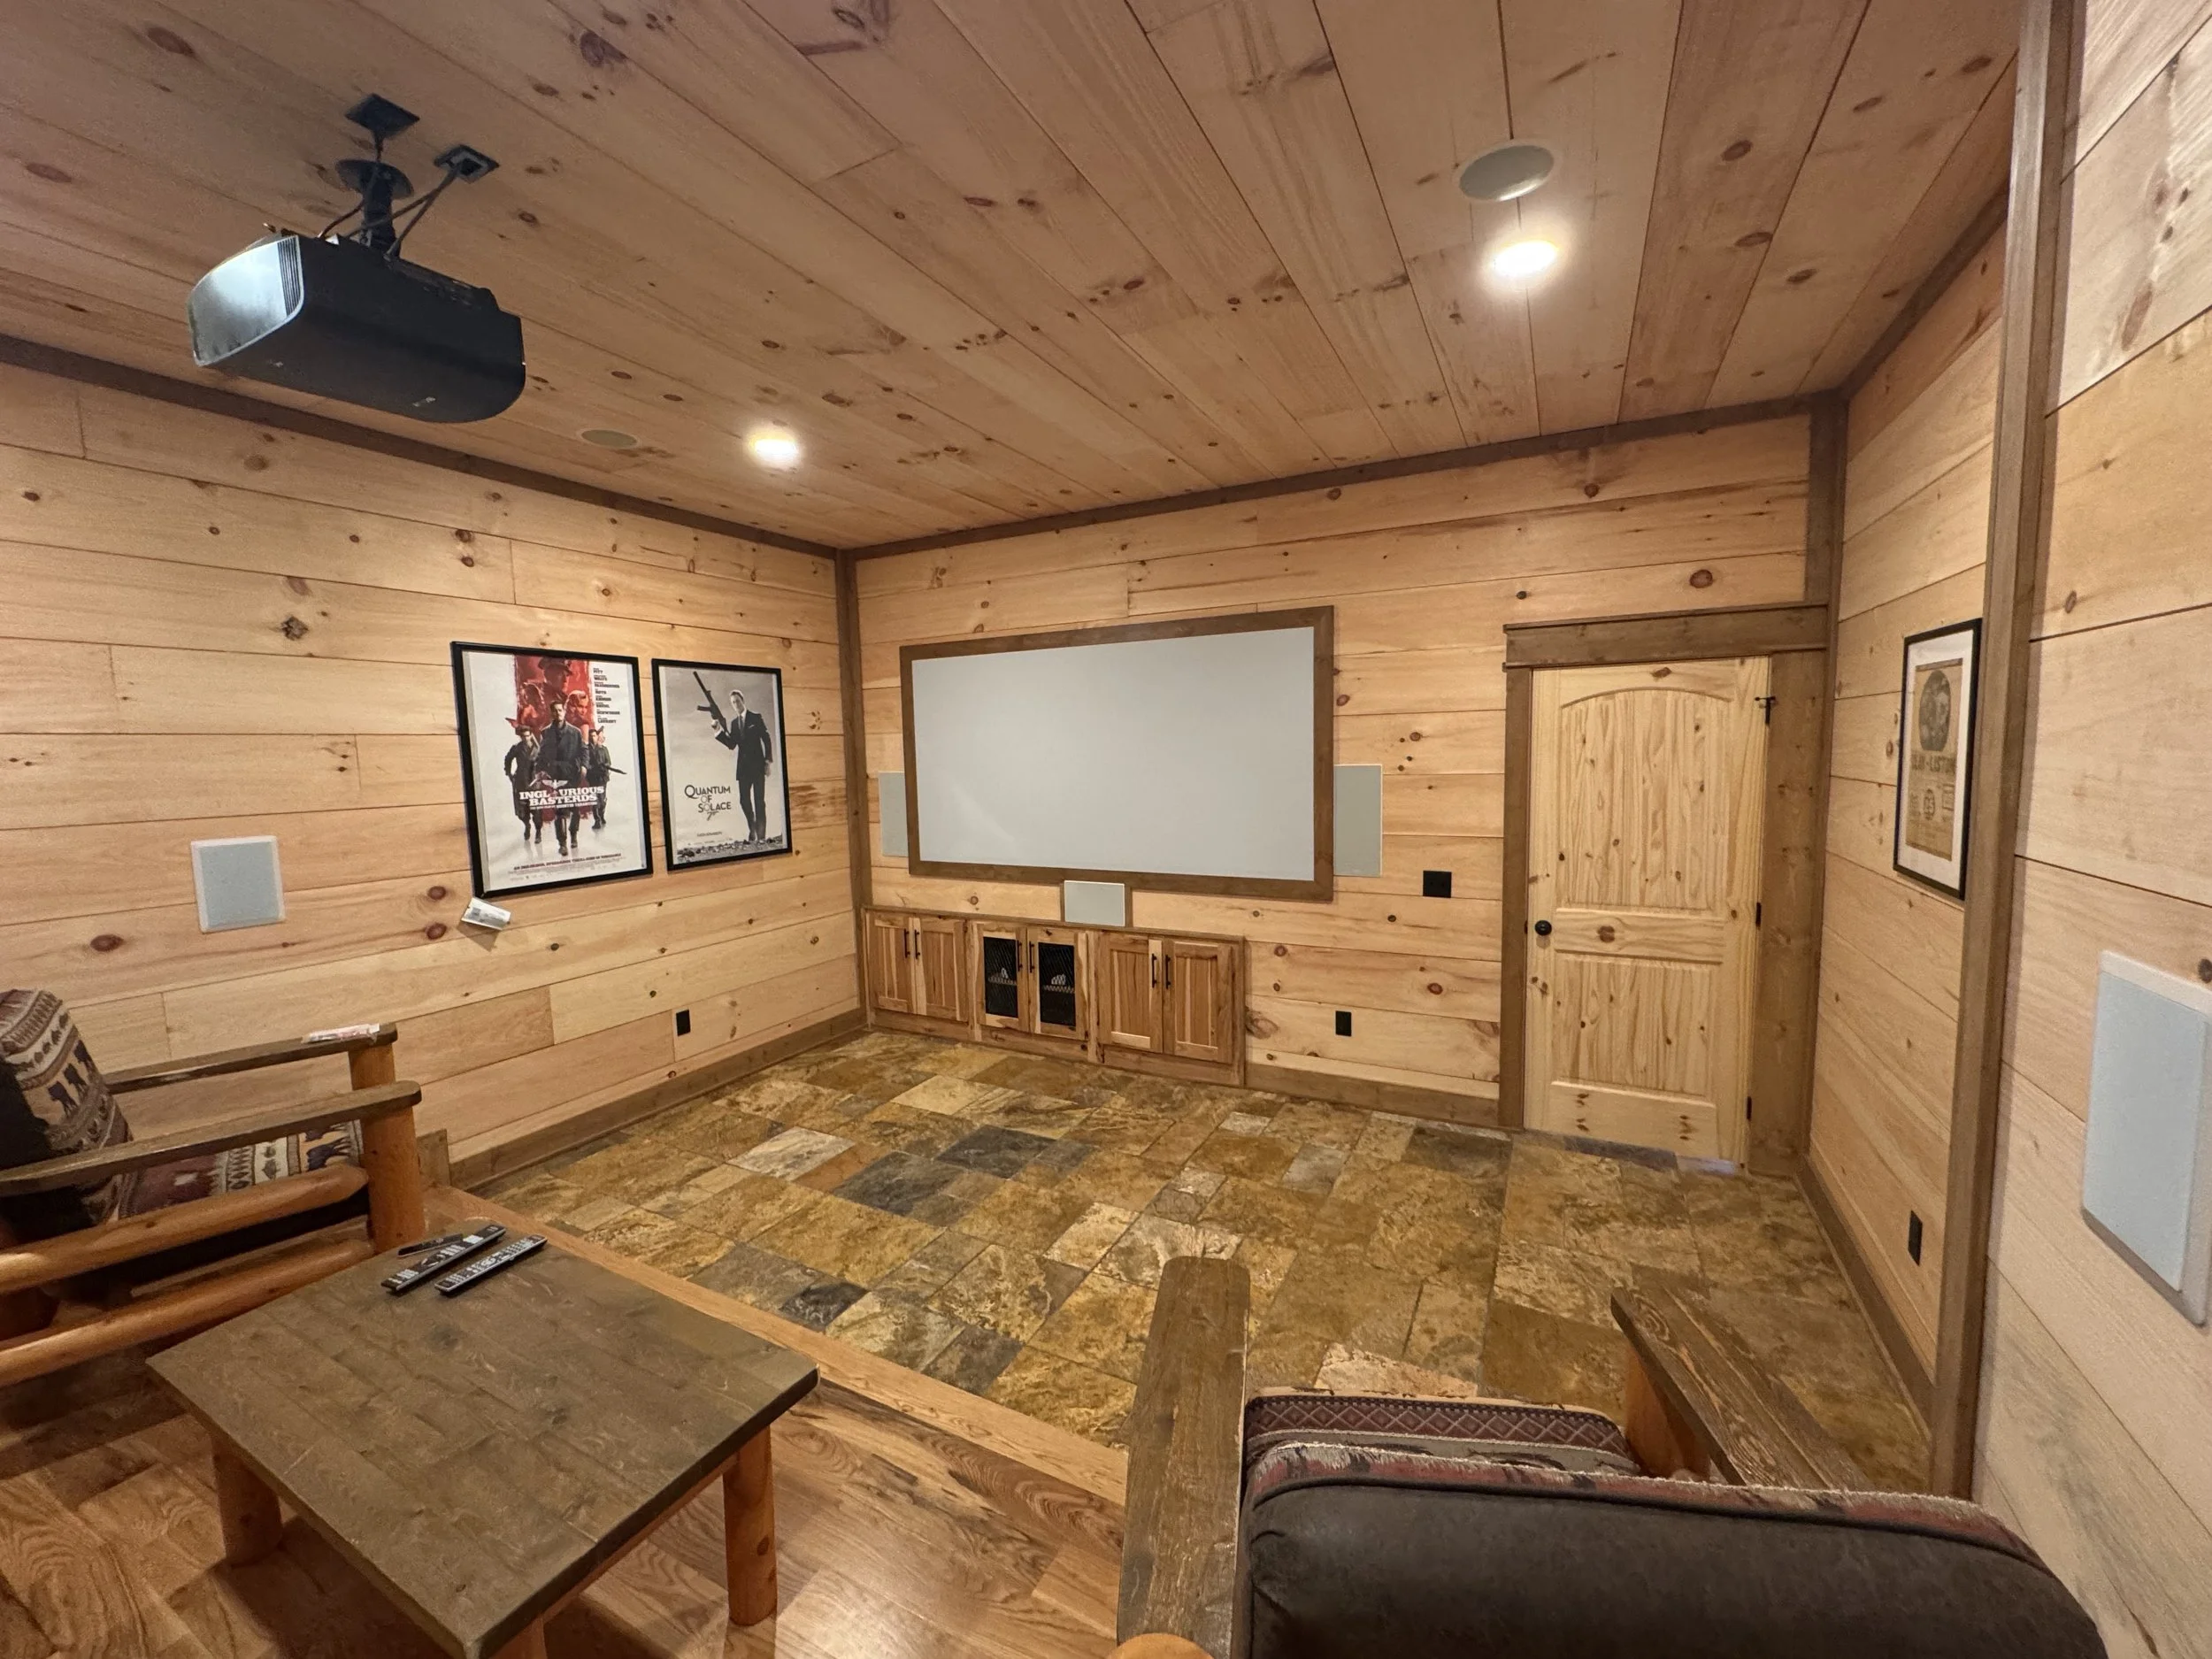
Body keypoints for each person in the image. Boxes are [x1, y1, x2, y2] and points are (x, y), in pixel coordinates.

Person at [714, 687, 775, 845]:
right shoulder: (734, 724)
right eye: (733, 703)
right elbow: (732, 745)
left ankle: (761, 836)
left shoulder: (756, 717)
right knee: (743, 800)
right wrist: (718, 731)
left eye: (738, 701)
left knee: (759, 801)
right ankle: (752, 826)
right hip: (743, 769)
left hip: (758, 766)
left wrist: (768, 761)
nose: (736, 704)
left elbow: (766, 738)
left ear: (743, 701)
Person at [536, 695, 588, 856]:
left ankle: (574, 836)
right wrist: (540, 771)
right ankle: (562, 843)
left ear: (564, 712)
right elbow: (542, 754)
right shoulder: (546, 733)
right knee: (560, 811)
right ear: (551, 713)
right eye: (555, 711)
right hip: (556, 777)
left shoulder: (575, 732)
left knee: (575, 810)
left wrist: (584, 766)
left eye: (560, 710)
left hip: (572, 774)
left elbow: (584, 750)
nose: (558, 713)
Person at [500, 724, 539, 839]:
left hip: (534, 782)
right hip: (521, 781)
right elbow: (508, 759)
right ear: (521, 737)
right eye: (523, 736)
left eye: (527, 736)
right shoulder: (517, 748)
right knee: (522, 810)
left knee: (536, 810)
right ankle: (527, 826)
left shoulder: (538, 748)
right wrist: (509, 773)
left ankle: (538, 833)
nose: (526, 738)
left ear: (531, 735)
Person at [583, 726, 612, 832]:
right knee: (594, 800)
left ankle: (602, 815)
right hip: (593, 778)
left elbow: (608, 761)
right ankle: (597, 820)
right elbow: (585, 763)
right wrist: (592, 768)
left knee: (602, 799)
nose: (592, 738)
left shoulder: (603, 749)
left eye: (594, 736)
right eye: (590, 736)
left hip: (602, 777)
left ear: (597, 737)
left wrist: (605, 766)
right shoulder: (586, 750)